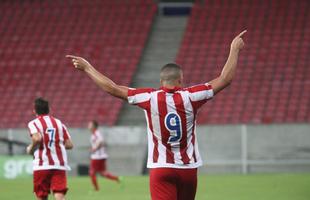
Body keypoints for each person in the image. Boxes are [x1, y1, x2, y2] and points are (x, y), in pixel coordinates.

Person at [66, 30, 246, 200]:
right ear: (181, 80)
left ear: (161, 81)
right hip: (188, 168)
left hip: (161, 168)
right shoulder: (191, 96)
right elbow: (225, 79)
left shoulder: (150, 97)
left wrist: (88, 68)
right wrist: (234, 48)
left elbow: (112, 88)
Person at [26, 97, 74, 200]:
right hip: (59, 165)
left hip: (42, 165)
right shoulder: (59, 123)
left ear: (34, 110)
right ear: (49, 109)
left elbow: (37, 138)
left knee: (41, 196)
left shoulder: (33, 123)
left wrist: (31, 149)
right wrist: (56, 143)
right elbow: (69, 144)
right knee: (60, 196)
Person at [87, 120, 120, 191]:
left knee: (92, 172)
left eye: (90, 124)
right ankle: (117, 178)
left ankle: (96, 189)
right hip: (101, 156)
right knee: (102, 173)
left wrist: (94, 149)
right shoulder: (94, 134)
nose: (88, 126)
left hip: (97, 156)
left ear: (94, 126)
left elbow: (101, 142)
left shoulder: (96, 133)